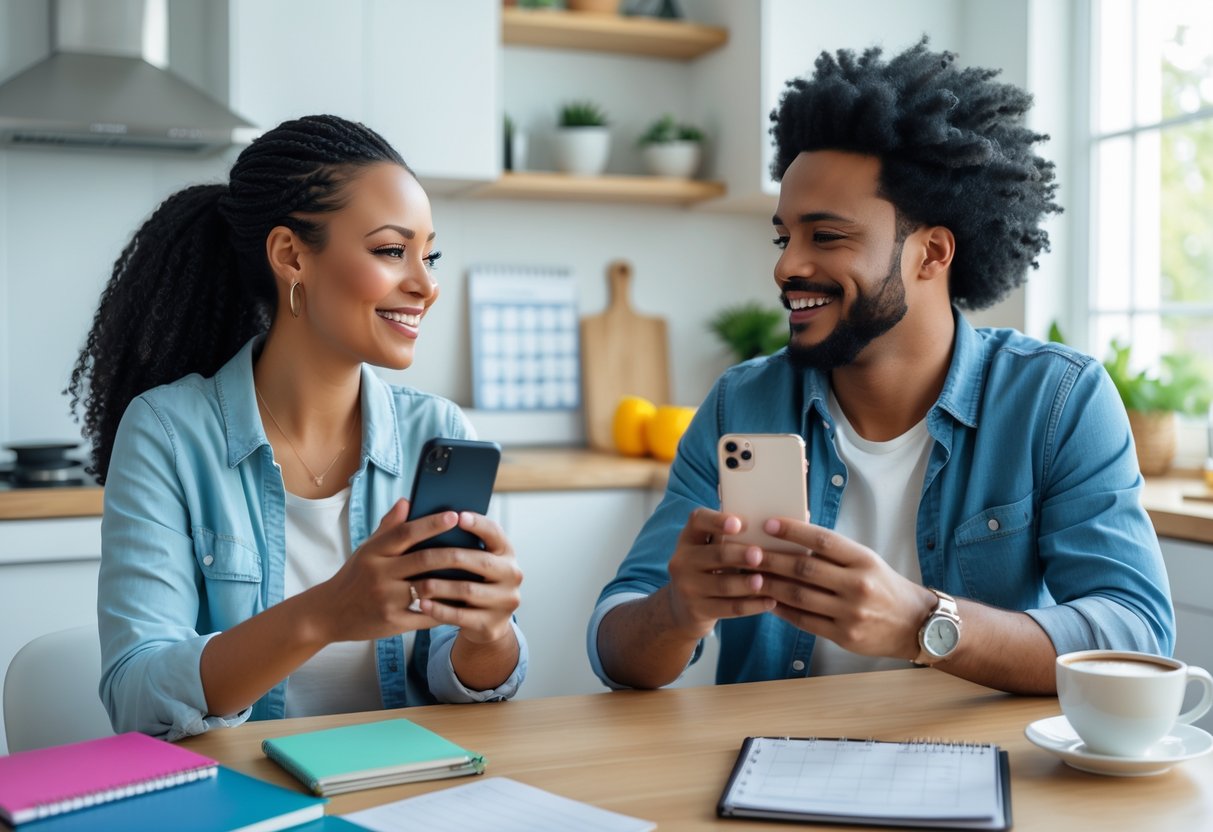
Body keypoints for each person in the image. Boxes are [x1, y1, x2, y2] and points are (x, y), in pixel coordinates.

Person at [588, 40, 1173, 695]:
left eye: (826, 235)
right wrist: (678, 610)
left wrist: (923, 624)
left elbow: (1134, 635)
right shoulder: (740, 403)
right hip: (771, 767)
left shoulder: (1057, 401)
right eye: (784, 237)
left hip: (985, 771)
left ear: (930, 253)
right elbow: (615, 647)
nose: (785, 265)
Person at [69, 115, 526, 741]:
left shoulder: (437, 430)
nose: (426, 285)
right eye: (392, 251)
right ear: (291, 256)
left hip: (409, 788)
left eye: (429, 254)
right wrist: (327, 613)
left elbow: (470, 685)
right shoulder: (168, 433)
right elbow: (137, 696)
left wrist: (488, 631)